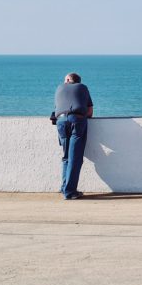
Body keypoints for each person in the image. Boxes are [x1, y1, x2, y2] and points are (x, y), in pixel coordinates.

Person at [54, 72, 93, 200]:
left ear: (69, 79)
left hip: (60, 121)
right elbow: (90, 112)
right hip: (76, 120)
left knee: (66, 157)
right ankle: (70, 192)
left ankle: (64, 187)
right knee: (75, 158)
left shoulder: (59, 88)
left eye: (66, 79)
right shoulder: (83, 88)